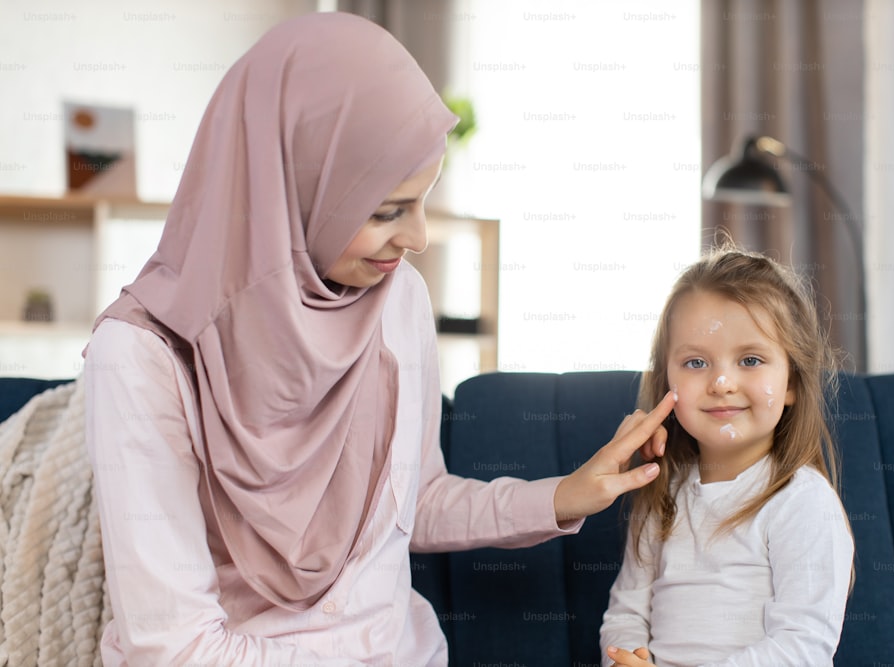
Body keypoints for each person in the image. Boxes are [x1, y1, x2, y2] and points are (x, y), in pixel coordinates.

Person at [82, 12, 674, 666]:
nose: (417, 237)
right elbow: (174, 649)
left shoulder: (400, 299)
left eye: (422, 201)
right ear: (292, 190)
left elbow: (413, 503)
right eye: (387, 211)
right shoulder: (141, 358)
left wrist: (566, 492)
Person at [600, 247, 855, 667]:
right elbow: (626, 612)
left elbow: (803, 646)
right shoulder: (660, 493)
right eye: (696, 362)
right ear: (667, 382)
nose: (721, 382)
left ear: (791, 382)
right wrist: (624, 657)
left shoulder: (803, 502)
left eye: (750, 360)